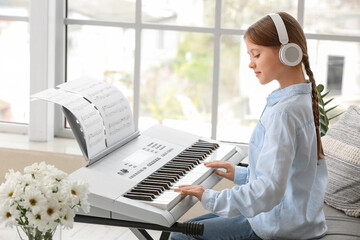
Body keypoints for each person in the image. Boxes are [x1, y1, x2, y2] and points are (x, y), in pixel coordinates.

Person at [170, 12, 328, 240]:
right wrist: (242, 174)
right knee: (184, 227)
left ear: (287, 51)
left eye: (256, 54)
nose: (250, 63)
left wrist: (210, 197)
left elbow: (270, 190)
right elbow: (293, 172)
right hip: (292, 220)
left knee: (179, 236)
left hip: (276, 228)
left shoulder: (284, 112)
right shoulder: (300, 100)